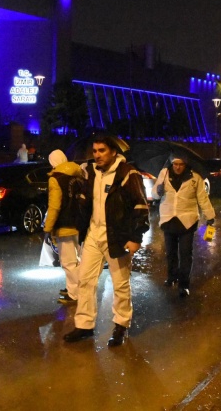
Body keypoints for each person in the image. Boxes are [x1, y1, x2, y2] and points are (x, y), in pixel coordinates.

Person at [63, 136, 150, 347]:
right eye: (94, 151)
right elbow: (85, 202)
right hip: (94, 234)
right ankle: (84, 325)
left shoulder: (127, 173)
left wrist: (135, 237)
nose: (97, 155)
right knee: (85, 280)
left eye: (101, 150)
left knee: (120, 283)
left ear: (113, 152)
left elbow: (140, 205)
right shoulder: (91, 173)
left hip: (118, 235)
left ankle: (121, 325)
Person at [151, 153, 215, 297]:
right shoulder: (164, 174)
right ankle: (172, 277)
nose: (178, 167)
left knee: (185, 254)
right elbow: (154, 194)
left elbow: (202, 198)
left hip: (187, 221)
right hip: (168, 219)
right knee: (170, 253)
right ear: (171, 163)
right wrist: (158, 191)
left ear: (186, 164)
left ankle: (184, 284)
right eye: (175, 164)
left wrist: (210, 216)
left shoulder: (195, 178)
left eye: (181, 164)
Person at [43, 149, 85, 305]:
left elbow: (54, 206)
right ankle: (76, 288)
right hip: (80, 223)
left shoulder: (56, 179)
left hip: (64, 224)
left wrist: (48, 228)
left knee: (68, 262)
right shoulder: (79, 176)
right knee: (79, 260)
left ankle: (74, 294)